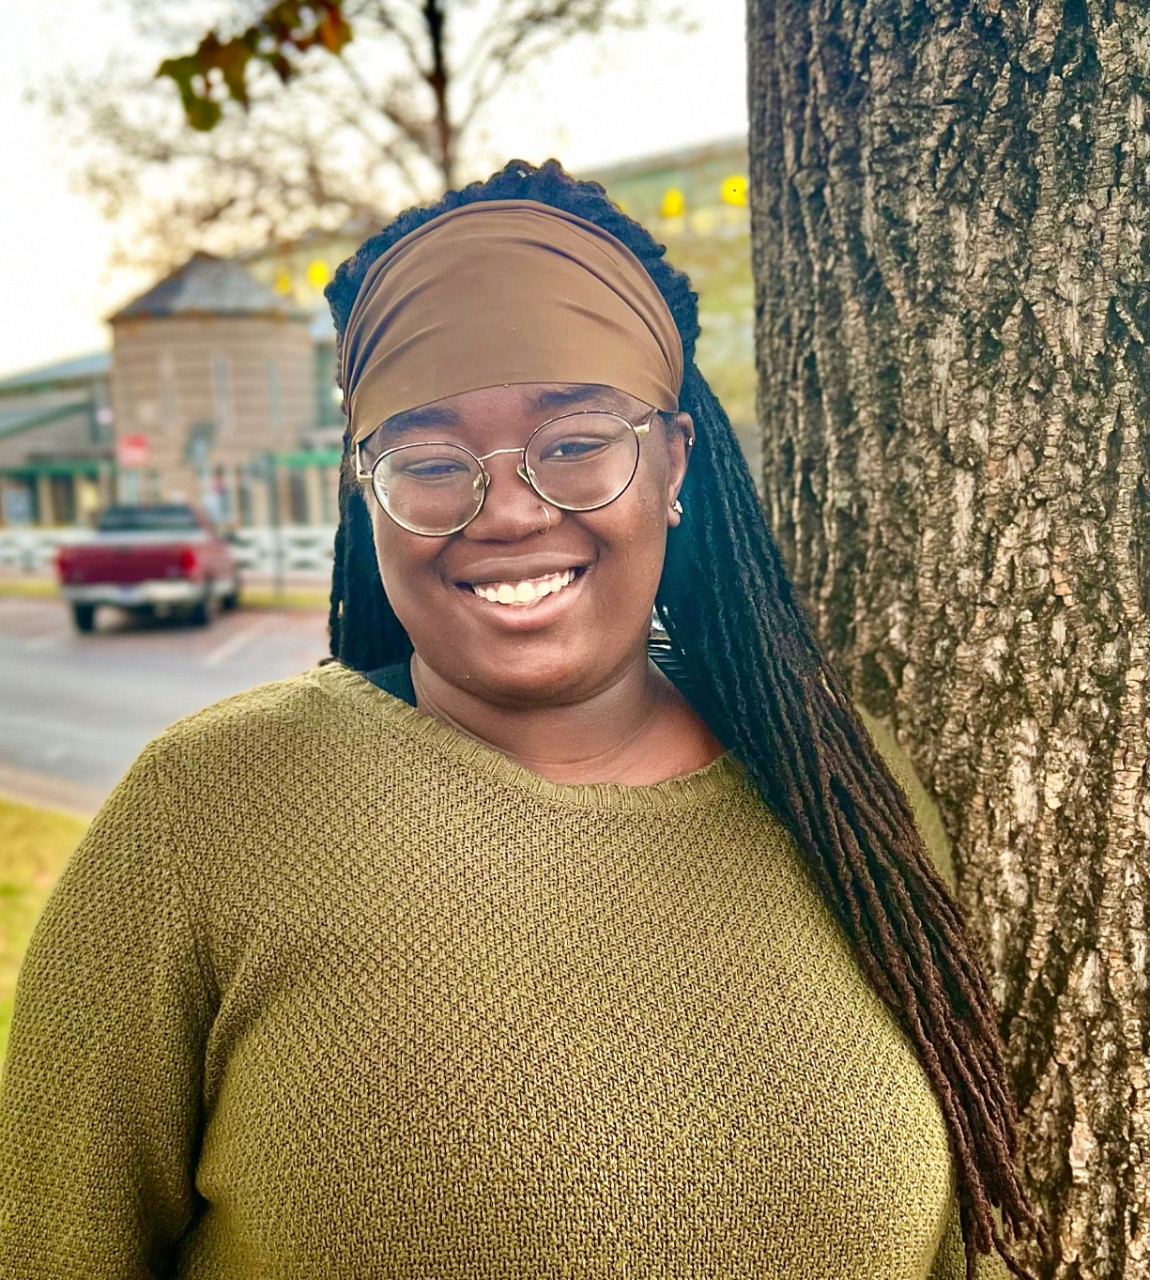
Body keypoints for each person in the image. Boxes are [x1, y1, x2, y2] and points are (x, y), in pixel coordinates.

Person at [0, 160, 1036, 1279]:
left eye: (579, 444)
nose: (507, 510)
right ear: (366, 492)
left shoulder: (845, 801)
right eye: (434, 460)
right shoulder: (209, 810)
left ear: (674, 460)